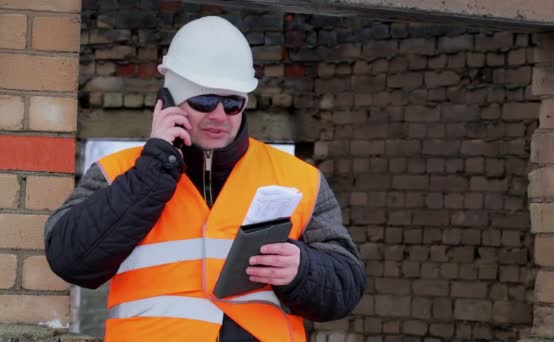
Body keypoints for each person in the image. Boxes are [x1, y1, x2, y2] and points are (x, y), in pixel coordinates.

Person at [44, 16, 366, 342]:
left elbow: (347, 285)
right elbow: (70, 259)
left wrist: (304, 270)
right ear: (168, 100)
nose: (218, 116)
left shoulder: (301, 178)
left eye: (232, 103)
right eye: (204, 101)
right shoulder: (119, 172)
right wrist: (152, 171)